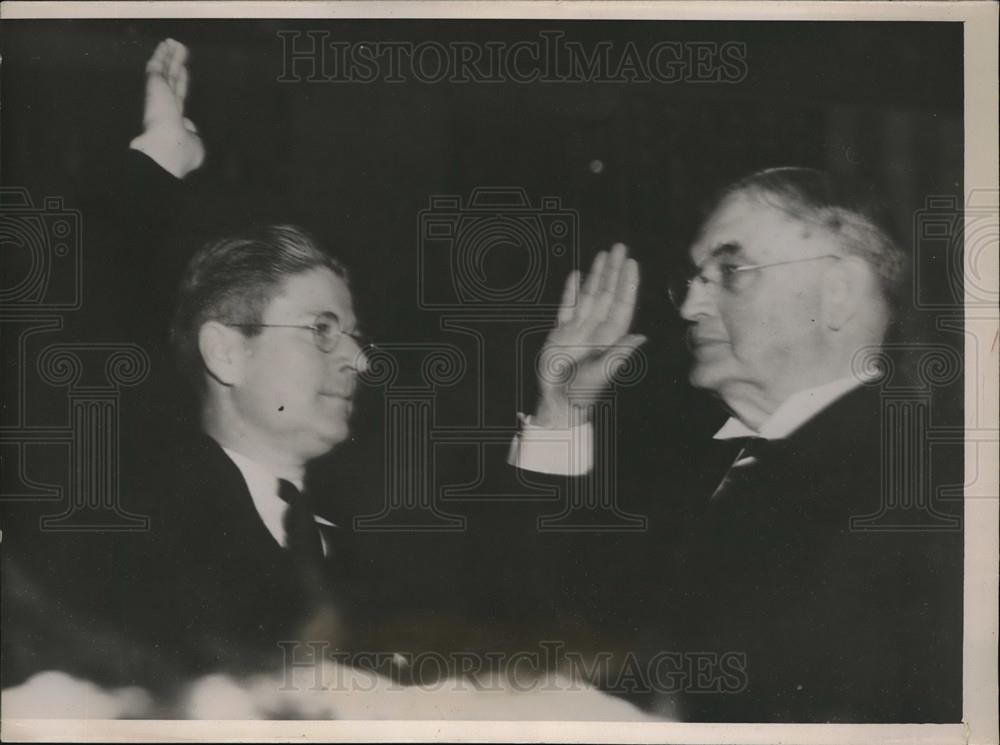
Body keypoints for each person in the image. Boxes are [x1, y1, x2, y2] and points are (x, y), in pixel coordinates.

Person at [515, 169, 963, 722]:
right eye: (695, 278)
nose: (689, 309)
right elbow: (546, 632)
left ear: (839, 293)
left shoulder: (930, 491)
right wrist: (561, 412)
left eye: (730, 271)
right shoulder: (689, 466)